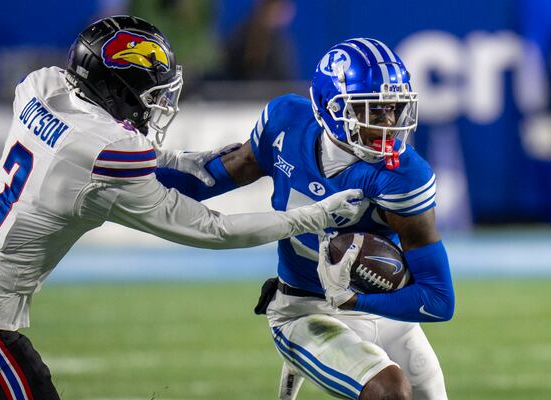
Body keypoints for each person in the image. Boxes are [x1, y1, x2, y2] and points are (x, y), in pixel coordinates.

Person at [0, 16, 369, 399]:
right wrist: (313, 216)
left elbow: (86, 136)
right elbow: (216, 229)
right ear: (118, 90)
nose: (159, 106)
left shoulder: (42, 87)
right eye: (152, 95)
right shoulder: (108, 155)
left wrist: (175, 159)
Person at [157, 38, 455, 399]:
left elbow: (439, 299)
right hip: (303, 310)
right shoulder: (285, 124)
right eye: (374, 111)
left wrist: (355, 302)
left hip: (380, 309)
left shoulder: (404, 175)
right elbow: (209, 177)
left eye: (394, 109)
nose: (389, 123)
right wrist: (129, 178)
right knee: (389, 392)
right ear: (332, 109)